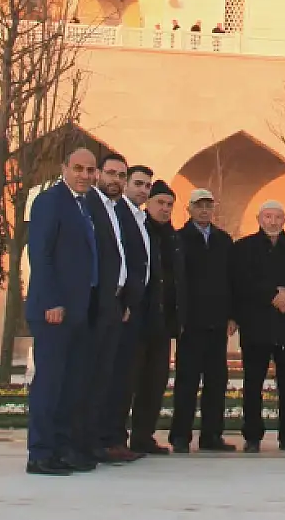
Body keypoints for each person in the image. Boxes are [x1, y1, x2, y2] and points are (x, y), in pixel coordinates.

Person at [23, 148, 100, 475]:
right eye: (78, 168)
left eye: (90, 170)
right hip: (55, 311)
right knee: (50, 384)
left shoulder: (86, 206)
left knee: (71, 385)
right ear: (64, 168)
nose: (85, 175)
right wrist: (53, 301)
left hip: (79, 311)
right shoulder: (50, 201)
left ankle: (62, 449)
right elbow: (41, 255)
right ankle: (40, 453)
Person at [72, 151, 133, 469]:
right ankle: (81, 444)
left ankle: (94, 442)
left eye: (121, 175)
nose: (115, 180)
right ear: (98, 175)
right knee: (88, 377)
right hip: (95, 305)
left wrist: (121, 302)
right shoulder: (89, 206)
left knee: (103, 380)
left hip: (113, 304)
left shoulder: (115, 210)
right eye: (110, 173)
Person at [231, 200, 285, 452]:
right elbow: (242, 282)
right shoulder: (244, 248)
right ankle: (252, 436)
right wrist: (273, 296)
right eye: (268, 217)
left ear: (284, 220)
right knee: (253, 384)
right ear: (259, 219)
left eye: (277, 218)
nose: (273, 222)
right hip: (256, 326)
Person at [169, 189, 235, 453]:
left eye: (208, 206)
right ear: (190, 209)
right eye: (199, 206)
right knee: (187, 381)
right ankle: (180, 436)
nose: (204, 210)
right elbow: (177, 282)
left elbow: (232, 281)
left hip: (217, 323)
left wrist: (232, 315)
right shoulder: (180, 239)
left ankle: (211, 436)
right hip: (191, 324)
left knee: (216, 382)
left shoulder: (223, 240)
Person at [96, 153, 149, 464]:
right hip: (114, 306)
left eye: (147, 185)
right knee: (107, 376)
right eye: (136, 182)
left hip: (128, 307)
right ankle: (103, 439)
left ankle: (115, 438)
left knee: (121, 378)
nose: (143, 189)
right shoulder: (111, 212)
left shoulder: (130, 215)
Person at [129, 182, 181, 454]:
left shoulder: (173, 238)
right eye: (160, 203)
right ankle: (113, 436)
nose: (165, 209)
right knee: (131, 382)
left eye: (169, 204)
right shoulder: (139, 231)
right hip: (139, 321)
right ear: (149, 204)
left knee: (154, 383)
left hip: (162, 324)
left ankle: (143, 436)